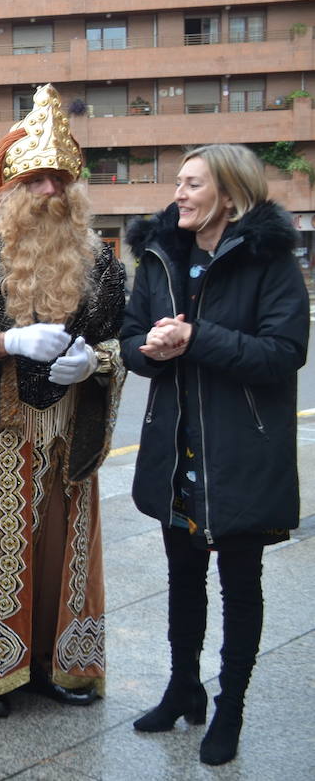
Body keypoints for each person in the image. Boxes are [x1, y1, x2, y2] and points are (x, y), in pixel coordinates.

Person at [0, 83, 126, 717]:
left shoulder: (103, 264)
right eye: (37, 179)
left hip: (71, 429)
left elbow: (118, 350)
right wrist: (4, 340)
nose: (50, 192)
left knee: (61, 551)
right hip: (1, 431)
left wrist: (94, 364)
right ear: (11, 188)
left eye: (60, 178)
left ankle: (52, 665)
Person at [121, 144, 307, 765]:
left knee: (240, 584)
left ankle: (229, 709)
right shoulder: (159, 254)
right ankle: (182, 689)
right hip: (178, 445)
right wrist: (150, 348)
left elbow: (283, 353)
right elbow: (129, 340)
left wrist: (196, 339)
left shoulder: (270, 259)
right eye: (177, 182)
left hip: (242, 452)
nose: (178, 192)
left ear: (229, 195)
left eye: (192, 184)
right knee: (182, 576)